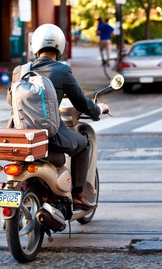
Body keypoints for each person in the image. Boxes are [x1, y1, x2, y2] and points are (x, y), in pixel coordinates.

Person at [7, 24, 109, 209]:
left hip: (20, 135)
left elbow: (10, 100)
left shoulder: (19, 71)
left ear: (35, 46)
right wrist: (98, 110)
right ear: (60, 47)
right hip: (51, 135)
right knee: (84, 144)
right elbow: (81, 103)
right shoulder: (62, 71)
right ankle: (78, 195)